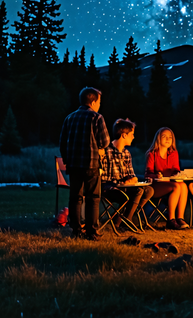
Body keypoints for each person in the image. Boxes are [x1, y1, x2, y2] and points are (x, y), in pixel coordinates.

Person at [59, 87, 110, 241]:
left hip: (74, 165)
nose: (99, 105)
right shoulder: (97, 118)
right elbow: (105, 142)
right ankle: (92, 231)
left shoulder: (69, 118)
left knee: (75, 197)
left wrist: (67, 160)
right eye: (99, 102)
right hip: (91, 164)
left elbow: (62, 143)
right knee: (93, 197)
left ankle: (76, 229)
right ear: (93, 101)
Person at [101, 118, 154, 230]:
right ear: (124, 135)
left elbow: (130, 174)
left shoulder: (126, 153)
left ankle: (121, 219)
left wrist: (133, 179)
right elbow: (103, 178)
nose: (133, 137)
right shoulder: (106, 151)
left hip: (124, 188)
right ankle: (126, 222)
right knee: (138, 191)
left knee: (149, 190)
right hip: (110, 189)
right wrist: (122, 182)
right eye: (132, 134)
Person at [145, 127, 189, 230]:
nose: (167, 139)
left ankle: (180, 218)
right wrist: (156, 175)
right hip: (155, 186)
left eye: (170, 137)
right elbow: (147, 175)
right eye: (164, 136)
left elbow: (176, 170)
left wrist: (178, 174)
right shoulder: (152, 154)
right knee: (177, 187)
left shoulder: (173, 153)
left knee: (183, 186)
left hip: (170, 183)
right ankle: (170, 220)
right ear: (158, 139)